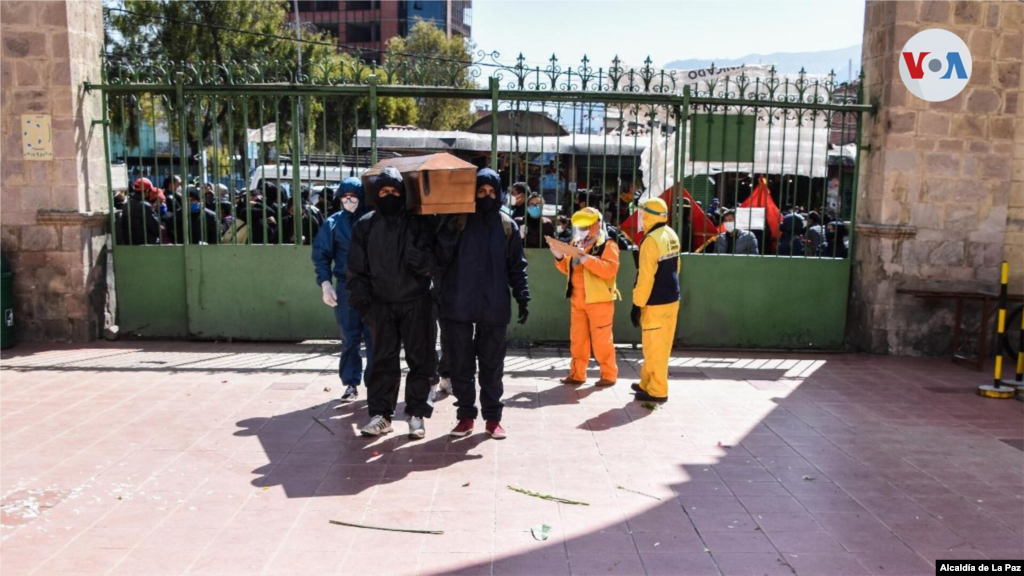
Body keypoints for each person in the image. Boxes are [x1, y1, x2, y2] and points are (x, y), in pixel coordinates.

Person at [438, 168, 530, 440]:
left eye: (492, 192)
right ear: (473, 192)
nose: (487, 196)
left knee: (492, 365)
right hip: (459, 303)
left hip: (494, 305)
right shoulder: (458, 221)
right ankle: (466, 416)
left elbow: (517, 266)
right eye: (481, 191)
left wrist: (522, 295)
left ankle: (493, 418)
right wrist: (445, 226)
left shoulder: (507, 225)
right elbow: (441, 258)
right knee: (461, 364)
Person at [347, 167, 438, 439]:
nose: (389, 195)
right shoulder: (365, 225)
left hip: (417, 302)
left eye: (395, 191)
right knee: (382, 362)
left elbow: (436, 261)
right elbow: (355, 268)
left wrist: (419, 260)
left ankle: (416, 415)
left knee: (421, 360)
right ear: (376, 194)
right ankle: (381, 415)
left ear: (403, 193)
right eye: (384, 191)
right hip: (381, 304)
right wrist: (364, 304)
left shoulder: (419, 223)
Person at [312, 178, 374, 405]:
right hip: (346, 286)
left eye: (353, 196)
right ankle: (350, 383)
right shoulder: (333, 223)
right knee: (350, 337)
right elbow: (321, 254)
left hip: (373, 286)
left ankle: (375, 384)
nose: (348, 200)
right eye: (344, 196)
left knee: (375, 337)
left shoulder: (374, 220)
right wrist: (325, 283)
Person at [552, 207, 620, 387]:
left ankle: (608, 374)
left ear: (596, 225)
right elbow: (568, 268)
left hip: (599, 301)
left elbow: (610, 270)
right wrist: (559, 257)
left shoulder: (608, 244)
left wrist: (586, 259)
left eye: (586, 226)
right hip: (577, 299)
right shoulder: (576, 243)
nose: (582, 230)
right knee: (578, 339)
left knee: (602, 341)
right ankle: (577, 373)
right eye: (580, 226)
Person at [630, 197, 680, 403]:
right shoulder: (670, 234)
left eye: (642, 213)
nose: (641, 217)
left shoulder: (651, 240)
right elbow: (677, 267)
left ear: (649, 215)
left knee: (654, 347)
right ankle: (646, 383)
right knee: (658, 344)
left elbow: (646, 277)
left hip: (655, 301)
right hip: (671, 298)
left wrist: (636, 304)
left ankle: (658, 390)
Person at [119, 178, 162, 246]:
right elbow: (155, 227)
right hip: (146, 244)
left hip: (129, 244)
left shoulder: (126, 205)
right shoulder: (145, 206)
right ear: (147, 191)